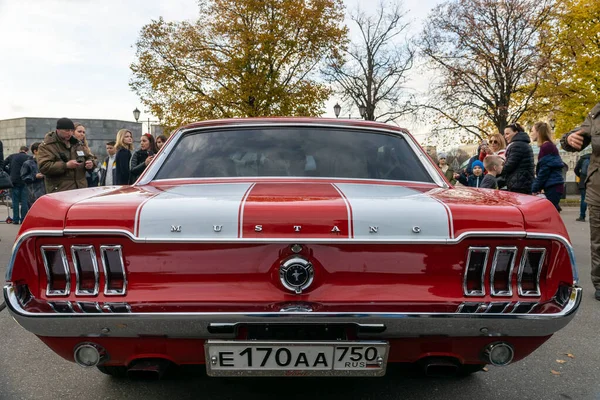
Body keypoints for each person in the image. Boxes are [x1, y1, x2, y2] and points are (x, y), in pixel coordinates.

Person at [560, 101, 600, 300]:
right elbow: (578, 135)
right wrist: (569, 138)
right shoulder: (597, 112)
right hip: (598, 187)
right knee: (598, 239)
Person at [37, 117, 96, 193]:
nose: (70, 133)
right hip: (60, 191)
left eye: (72, 130)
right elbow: (44, 167)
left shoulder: (77, 144)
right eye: (67, 130)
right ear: (58, 130)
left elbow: (90, 157)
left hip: (80, 189)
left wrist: (91, 163)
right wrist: (66, 165)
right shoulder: (47, 146)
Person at [530, 122, 564, 211]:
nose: (531, 133)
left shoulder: (546, 147)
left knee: (548, 216)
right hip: (554, 186)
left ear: (539, 132)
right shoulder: (548, 146)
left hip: (553, 187)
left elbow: (544, 171)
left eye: (532, 131)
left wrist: (535, 188)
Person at [501, 122, 534, 194]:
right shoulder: (523, 143)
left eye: (507, 134)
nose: (505, 137)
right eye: (505, 134)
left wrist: (497, 169)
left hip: (519, 184)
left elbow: (510, 165)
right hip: (523, 182)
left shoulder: (517, 145)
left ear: (516, 132)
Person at [4, 146, 32, 224]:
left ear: (19, 150)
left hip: (13, 181)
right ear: (27, 151)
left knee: (15, 201)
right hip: (25, 181)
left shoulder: (12, 156)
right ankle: (23, 219)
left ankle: (15, 219)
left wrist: (10, 172)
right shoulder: (29, 157)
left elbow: (3, 165)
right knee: (24, 201)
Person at [20, 142, 45, 208]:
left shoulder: (45, 162)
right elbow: (23, 177)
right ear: (35, 151)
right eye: (42, 149)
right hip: (34, 194)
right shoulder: (28, 163)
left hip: (47, 193)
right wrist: (35, 176)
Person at [574, 152, 591, 222]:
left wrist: (581, 176)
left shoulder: (582, 159)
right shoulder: (595, 158)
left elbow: (576, 170)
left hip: (583, 180)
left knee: (584, 199)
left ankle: (582, 216)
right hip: (593, 181)